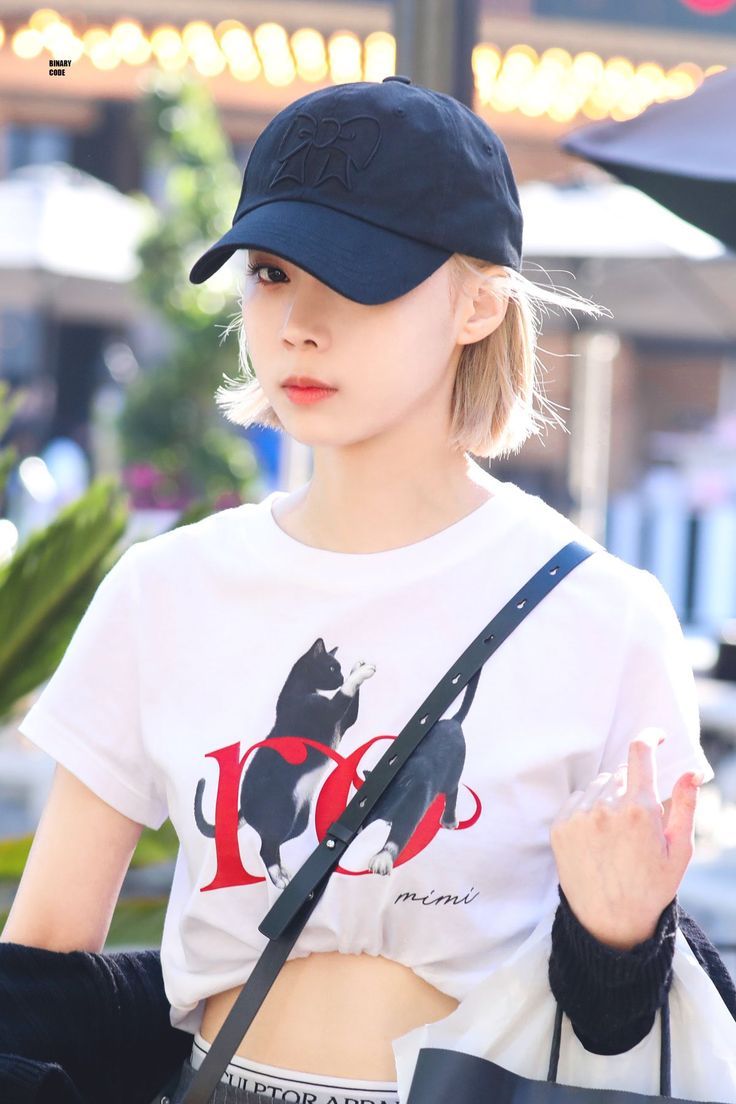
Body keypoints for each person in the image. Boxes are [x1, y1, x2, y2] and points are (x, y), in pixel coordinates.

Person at [2, 76, 734, 1104]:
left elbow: (616, 1030)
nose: (298, 324)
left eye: (357, 278)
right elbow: (41, 977)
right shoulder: (163, 592)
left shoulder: (604, 616)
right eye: (270, 273)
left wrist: (619, 935)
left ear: (479, 303)